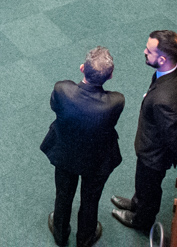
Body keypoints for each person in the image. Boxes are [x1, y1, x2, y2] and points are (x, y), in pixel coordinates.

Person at [111, 30, 177, 233]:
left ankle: (141, 220)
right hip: (152, 145)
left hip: (153, 155)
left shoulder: (163, 102)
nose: (144, 52)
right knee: (142, 184)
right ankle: (135, 203)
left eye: (149, 51)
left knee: (149, 188)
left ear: (163, 58)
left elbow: (175, 141)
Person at [42, 47, 125, 247]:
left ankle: (60, 234)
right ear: (110, 76)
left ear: (82, 68)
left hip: (65, 154)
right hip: (97, 160)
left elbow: (54, 107)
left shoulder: (62, 90)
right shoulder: (116, 101)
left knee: (63, 194)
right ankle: (85, 239)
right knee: (90, 199)